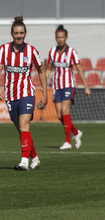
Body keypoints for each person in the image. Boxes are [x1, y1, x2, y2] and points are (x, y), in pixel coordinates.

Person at [0, 16, 48, 170]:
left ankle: (24, 162)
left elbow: (41, 71)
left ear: (25, 33)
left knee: (23, 125)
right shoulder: (4, 50)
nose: (19, 36)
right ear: (12, 34)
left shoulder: (32, 51)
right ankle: (35, 158)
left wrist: (45, 93)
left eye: (21, 33)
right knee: (22, 130)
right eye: (16, 33)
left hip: (26, 93)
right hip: (10, 96)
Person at [46, 25, 91, 150]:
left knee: (65, 112)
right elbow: (49, 69)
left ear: (66, 38)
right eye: (58, 37)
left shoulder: (72, 52)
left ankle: (67, 142)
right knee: (60, 116)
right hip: (56, 86)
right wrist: (43, 82)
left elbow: (79, 69)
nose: (60, 39)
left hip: (68, 85)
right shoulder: (52, 52)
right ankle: (76, 133)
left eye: (62, 37)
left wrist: (86, 87)